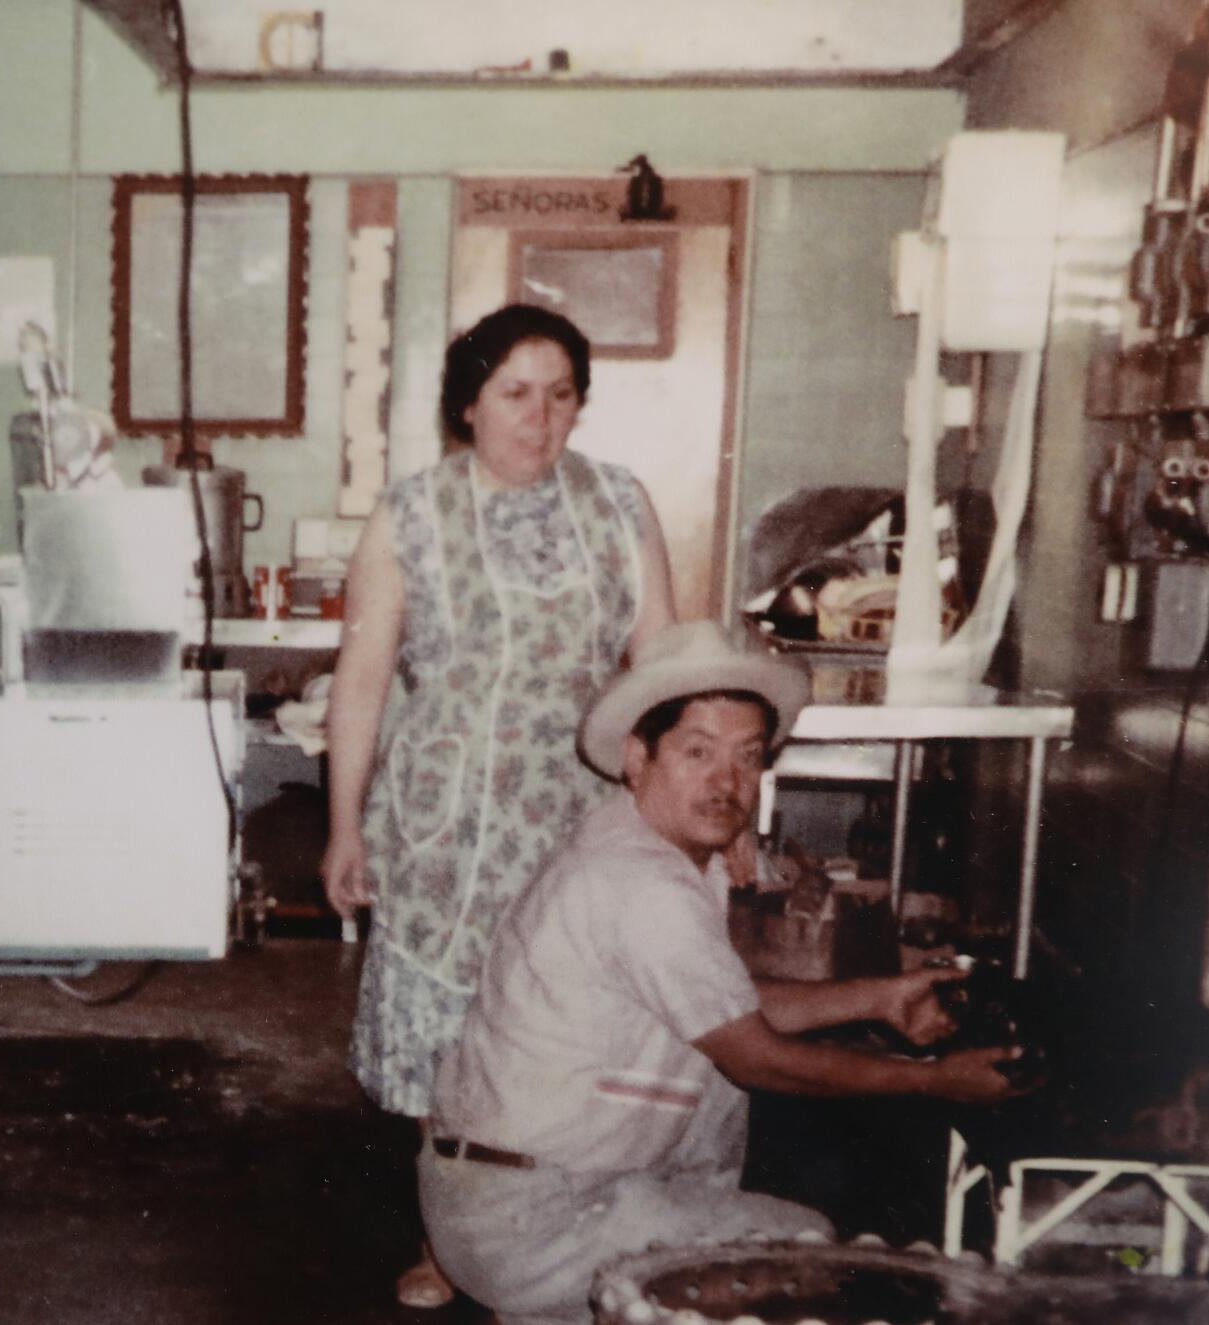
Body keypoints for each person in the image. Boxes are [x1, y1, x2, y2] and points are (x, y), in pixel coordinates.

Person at [417, 620, 1029, 1325]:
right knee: (804, 1248)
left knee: (716, 1092)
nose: (726, 782)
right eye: (697, 752)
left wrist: (883, 998)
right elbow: (760, 1056)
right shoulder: (643, 883)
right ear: (637, 756)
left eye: (746, 757)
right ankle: (567, 1304)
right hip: (537, 1215)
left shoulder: (645, 837)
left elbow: (722, 1003)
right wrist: (934, 1080)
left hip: (504, 1190)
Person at [320, 303, 678, 1307]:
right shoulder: (410, 512)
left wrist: (698, 814)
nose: (539, 416)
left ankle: (566, 1226)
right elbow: (361, 679)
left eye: (560, 394)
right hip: (443, 817)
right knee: (452, 1036)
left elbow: (658, 661)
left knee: (565, 1023)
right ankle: (451, 1237)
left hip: (578, 809)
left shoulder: (617, 503)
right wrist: (344, 822)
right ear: (467, 403)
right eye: (514, 393)